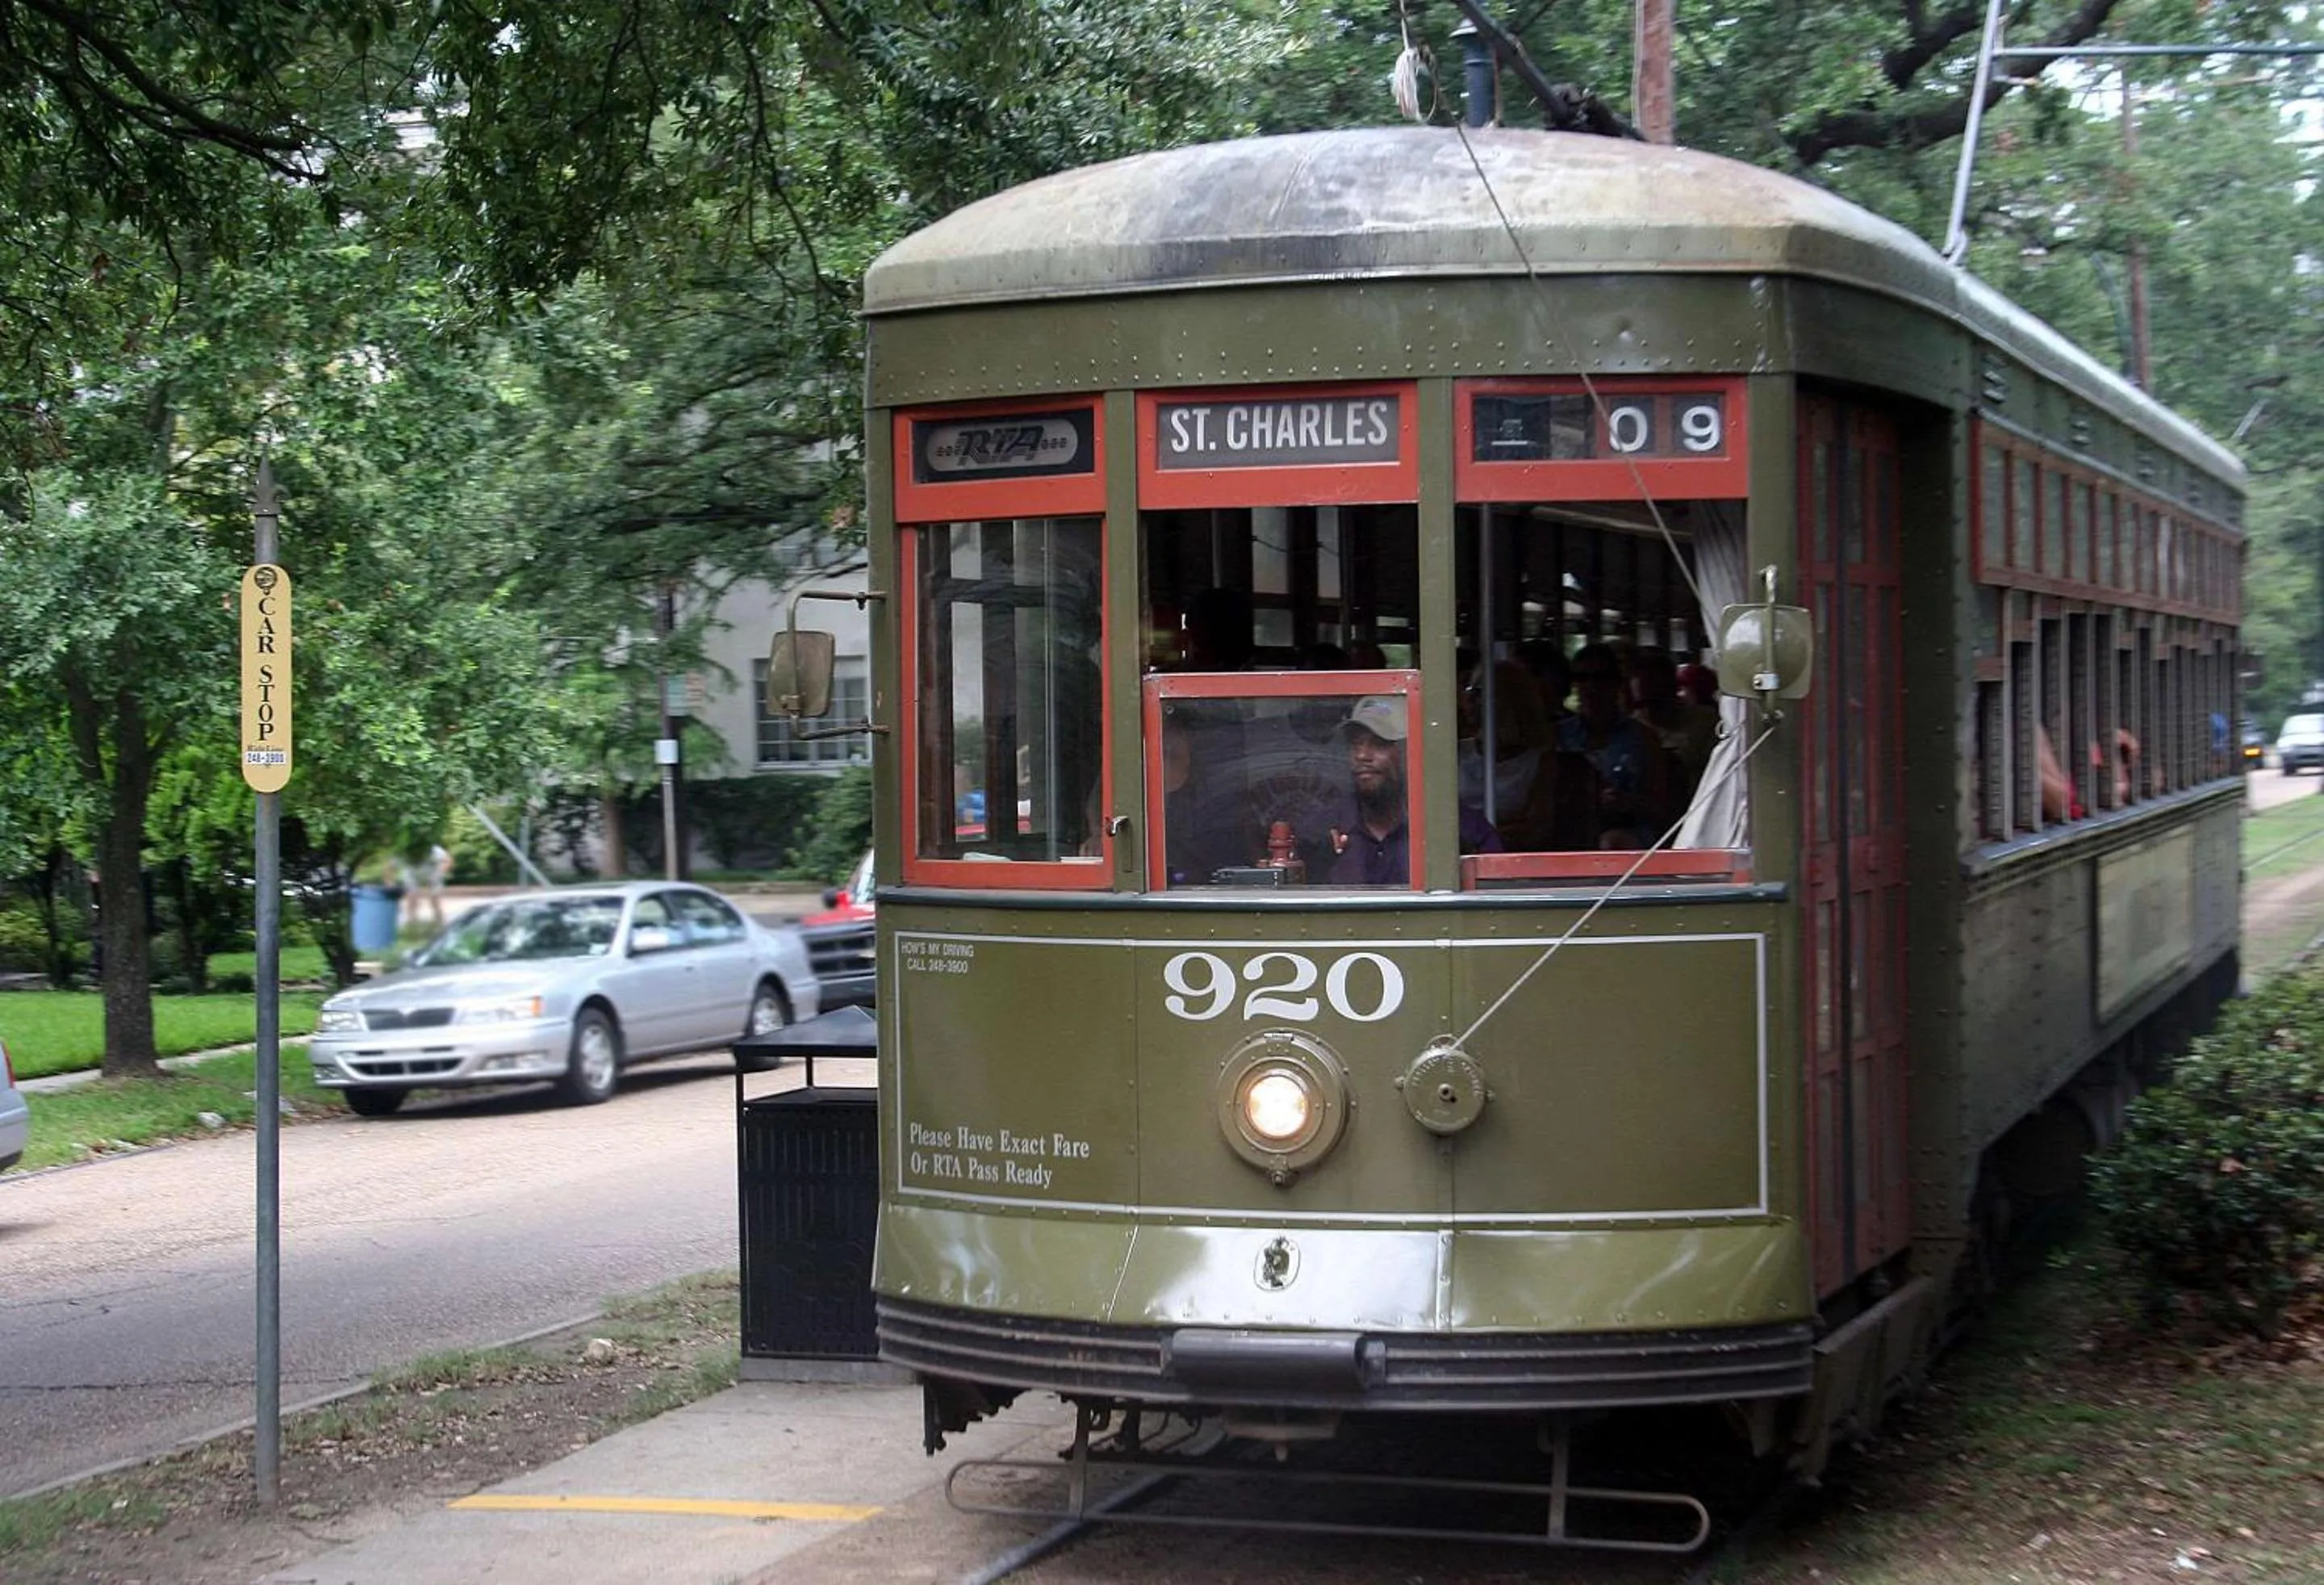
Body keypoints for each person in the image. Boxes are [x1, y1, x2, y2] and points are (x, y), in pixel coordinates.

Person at [1316, 696, 1500, 885]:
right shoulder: (1324, 829)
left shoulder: (1458, 828)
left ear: (1412, 750)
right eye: (1356, 744)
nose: (1362, 755)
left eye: (1380, 743)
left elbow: (1496, 903)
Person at [1555, 643, 1674, 848]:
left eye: (1601, 678)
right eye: (1582, 678)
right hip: (1570, 827)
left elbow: (1662, 807)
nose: (1591, 686)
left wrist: (1626, 802)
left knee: (1612, 842)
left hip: (1629, 830)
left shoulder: (1643, 738)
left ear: (1617, 683)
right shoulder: (1558, 736)